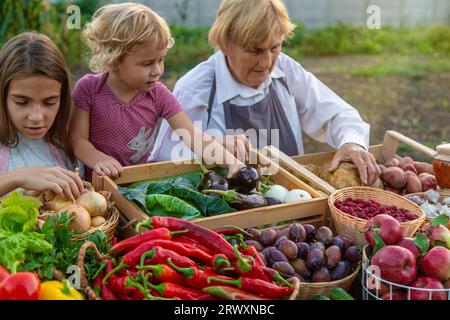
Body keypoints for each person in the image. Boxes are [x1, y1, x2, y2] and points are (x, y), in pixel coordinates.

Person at [150, 0, 381, 186]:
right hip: (228, 216)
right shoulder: (196, 88)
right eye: (255, 50)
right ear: (225, 43)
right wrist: (212, 148)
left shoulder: (285, 71)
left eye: (275, 47)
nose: (267, 62)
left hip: (295, 201)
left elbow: (336, 114)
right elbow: (169, 164)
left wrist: (352, 143)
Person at [70, 3, 244, 181]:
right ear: (114, 60)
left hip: (137, 183)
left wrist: (229, 160)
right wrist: (100, 159)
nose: (158, 70)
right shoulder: (90, 89)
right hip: (96, 184)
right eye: (147, 63)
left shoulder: (158, 95)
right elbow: (77, 139)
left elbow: (193, 135)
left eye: (161, 60)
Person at [0, 32, 84, 199]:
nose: (37, 117)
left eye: (49, 102)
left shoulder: (67, 144)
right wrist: (18, 177)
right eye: (22, 102)